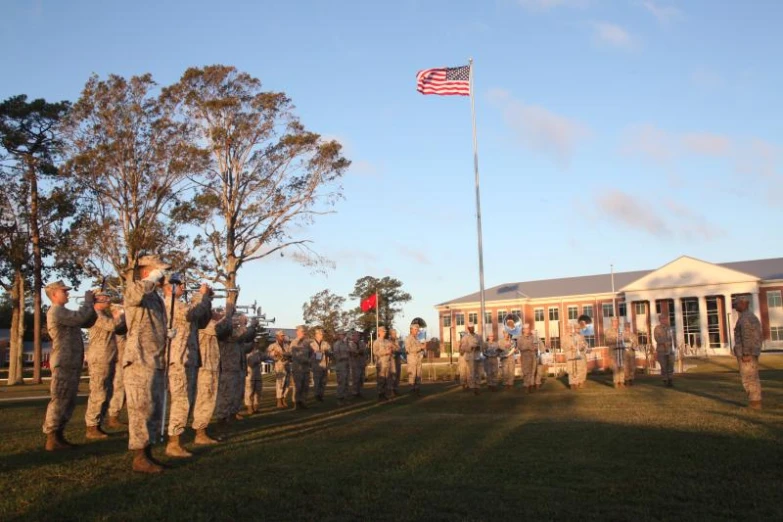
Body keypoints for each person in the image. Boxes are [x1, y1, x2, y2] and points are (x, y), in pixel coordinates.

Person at [122, 255, 173, 473]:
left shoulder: (155, 298)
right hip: (139, 358)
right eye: (159, 271)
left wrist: (165, 333)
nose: (164, 276)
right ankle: (139, 457)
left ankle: (148, 453)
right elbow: (133, 296)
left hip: (155, 358)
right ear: (146, 272)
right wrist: (151, 279)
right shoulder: (136, 289)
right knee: (141, 409)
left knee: (153, 408)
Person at [42, 281, 97, 451]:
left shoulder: (63, 311)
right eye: (63, 291)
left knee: (68, 399)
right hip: (64, 361)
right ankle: (52, 437)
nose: (67, 293)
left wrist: (92, 305)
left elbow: (87, 322)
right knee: (60, 398)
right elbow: (81, 317)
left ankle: (58, 435)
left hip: (71, 360)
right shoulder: (57, 311)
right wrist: (88, 302)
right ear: (54, 295)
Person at [162, 278, 212, 457]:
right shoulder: (172, 304)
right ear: (168, 287)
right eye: (178, 283)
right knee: (181, 401)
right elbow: (192, 314)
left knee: (187, 401)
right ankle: (173, 443)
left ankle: (178, 440)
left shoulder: (181, 305)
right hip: (179, 359)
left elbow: (202, 321)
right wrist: (202, 296)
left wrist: (208, 299)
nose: (183, 286)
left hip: (189, 358)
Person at [84, 290, 124, 440]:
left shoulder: (104, 315)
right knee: (98, 392)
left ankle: (98, 424)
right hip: (99, 359)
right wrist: (120, 313)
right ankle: (91, 426)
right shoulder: (96, 315)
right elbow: (113, 326)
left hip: (108, 357)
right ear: (96, 300)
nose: (108, 299)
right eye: (104, 297)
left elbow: (120, 329)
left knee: (106, 392)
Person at [192, 307, 231, 446]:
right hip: (205, 367)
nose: (216, 313)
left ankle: (202, 431)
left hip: (211, 366)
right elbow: (219, 330)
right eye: (213, 311)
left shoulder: (210, 323)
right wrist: (226, 316)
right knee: (205, 399)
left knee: (208, 400)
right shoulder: (205, 323)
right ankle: (200, 433)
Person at [733, 296, 763, 409]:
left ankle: (754, 403)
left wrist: (746, 353)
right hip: (751, 352)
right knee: (753, 377)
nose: (735, 308)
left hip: (747, 354)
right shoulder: (750, 316)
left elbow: (747, 337)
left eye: (736, 304)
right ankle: (755, 402)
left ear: (743, 303)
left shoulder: (746, 318)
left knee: (749, 378)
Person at [106, 305, 128, 430]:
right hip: (119, 360)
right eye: (121, 312)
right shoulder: (116, 325)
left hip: (125, 360)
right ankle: (113, 416)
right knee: (118, 388)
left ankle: (116, 415)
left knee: (123, 390)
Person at [290, 326, 313, 409]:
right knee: (297, 387)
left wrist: (310, 360)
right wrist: (305, 360)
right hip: (298, 368)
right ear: (297, 332)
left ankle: (303, 402)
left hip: (306, 368)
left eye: (304, 331)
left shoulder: (307, 343)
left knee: (305, 386)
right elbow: (294, 355)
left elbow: (312, 352)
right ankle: (296, 403)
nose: (304, 333)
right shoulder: (294, 342)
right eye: (302, 331)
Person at [268, 330, 291, 409]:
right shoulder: (272, 345)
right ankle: (279, 401)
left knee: (287, 384)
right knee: (280, 384)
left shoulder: (287, 345)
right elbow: (268, 355)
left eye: (283, 335)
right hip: (279, 367)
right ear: (277, 336)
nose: (283, 337)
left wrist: (286, 355)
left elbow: (290, 354)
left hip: (287, 366)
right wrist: (274, 353)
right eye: (281, 336)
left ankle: (283, 399)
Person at [459, 324, 483, 395]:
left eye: (473, 327)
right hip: (470, 357)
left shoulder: (478, 336)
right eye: (470, 328)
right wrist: (470, 348)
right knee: (471, 373)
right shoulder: (465, 337)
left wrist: (480, 347)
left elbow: (483, 345)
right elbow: (463, 347)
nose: (472, 329)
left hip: (478, 356)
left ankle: (478, 386)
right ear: (468, 328)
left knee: (478, 372)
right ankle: (472, 387)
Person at [373, 326, 395, 401]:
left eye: (385, 331)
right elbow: (375, 352)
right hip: (381, 363)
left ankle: (386, 394)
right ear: (379, 332)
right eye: (383, 331)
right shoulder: (376, 342)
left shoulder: (387, 341)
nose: (384, 333)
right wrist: (385, 352)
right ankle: (380, 395)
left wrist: (392, 349)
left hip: (388, 363)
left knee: (387, 379)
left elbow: (393, 348)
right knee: (381, 380)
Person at [653, 314, 675, 387]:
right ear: (660, 320)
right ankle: (665, 380)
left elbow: (673, 338)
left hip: (670, 350)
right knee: (664, 366)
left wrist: (673, 344)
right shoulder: (657, 328)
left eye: (665, 319)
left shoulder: (670, 328)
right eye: (662, 319)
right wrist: (664, 342)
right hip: (661, 350)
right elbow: (657, 338)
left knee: (671, 365)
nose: (664, 320)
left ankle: (670, 379)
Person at [310, 327, 330, 402]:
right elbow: (308, 355)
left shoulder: (325, 343)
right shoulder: (311, 344)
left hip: (324, 365)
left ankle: (321, 395)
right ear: (316, 335)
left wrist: (327, 352)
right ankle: (317, 395)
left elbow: (330, 352)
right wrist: (315, 353)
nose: (322, 335)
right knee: (316, 381)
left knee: (323, 381)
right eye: (320, 334)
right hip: (316, 366)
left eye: (322, 334)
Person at [405, 324, 425, 396]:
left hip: (418, 359)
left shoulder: (416, 339)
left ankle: (417, 390)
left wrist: (422, 348)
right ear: (411, 330)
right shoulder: (408, 338)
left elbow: (420, 348)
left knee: (418, 375)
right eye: (416, 330)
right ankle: (411, 390)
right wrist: (420, 348)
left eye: (417, 330)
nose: (417, 331)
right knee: (412, 375)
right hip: (412, 359)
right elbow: (408, 349)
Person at [605, 318, 625, 388]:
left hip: (621, 351)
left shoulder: (621, 330)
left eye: (616, 321)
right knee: (615, 367)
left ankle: (622, 382)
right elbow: (607, 341)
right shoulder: (608, 331)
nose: (615, 322)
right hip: (613, 351)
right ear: (611, 322)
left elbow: (625, 339)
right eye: (614, 321)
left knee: (622, 367)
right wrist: (616, 339)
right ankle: (616, 382)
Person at [565, 324, 587, 389]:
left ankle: (580, 382)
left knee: (581, 369)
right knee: (573, 369)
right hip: (572, 355)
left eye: (578, 328)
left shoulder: (581, 336)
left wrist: (582, 347)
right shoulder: (569, 336)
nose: (578, 329)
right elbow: (565, 345)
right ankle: (573, 384)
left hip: (580, 354)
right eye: (576, 328)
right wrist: (571, 347)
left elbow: (584, 344)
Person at [244, 342, 264, 415]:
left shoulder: (259, 352)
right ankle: (249, 408)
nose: (255, 345)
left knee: (258, 392)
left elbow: (265, 357)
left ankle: (256, 407)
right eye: (254, 343)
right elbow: (248, 363)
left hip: (258, 375)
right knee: (249, 392)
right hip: (249, 375)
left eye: (256, 343)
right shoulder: (246, 353)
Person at [331, 331, 350, 406]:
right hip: (340, 365)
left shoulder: (346, 344)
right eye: (342, 335)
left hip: (347, 364)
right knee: (341, 382)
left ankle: (345, 398)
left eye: (344, 335)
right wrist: (344, 357)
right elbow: (336, 355)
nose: (344, 336)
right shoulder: (337, 344)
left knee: (346, 382)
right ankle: (339, 398)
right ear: (339, 336)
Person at [518, 324, 538, 393]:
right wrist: (528, 347)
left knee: (532, 371)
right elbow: (520, 347)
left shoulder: (532, 337)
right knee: (526, 372)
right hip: (525, 356)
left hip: (532, 356)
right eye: (525, 329)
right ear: (523, 330)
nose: (527, 330)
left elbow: (536, 346)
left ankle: (531, 386)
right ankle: (526, 386)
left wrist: (533, 348)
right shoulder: (520, 338)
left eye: (528, 328)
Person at [348, 331, 366, 398]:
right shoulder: (350, 344)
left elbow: (364, 351)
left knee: (361, 379)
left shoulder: (362, 343)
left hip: (361, 363)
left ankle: (360, 392)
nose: (358, 337)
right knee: (356, 379)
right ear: (353, 336)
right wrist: (358, 352)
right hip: (354, 364)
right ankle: (355, 392)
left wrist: (358, 352)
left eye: (359, 335)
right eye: (357, 335)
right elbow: (353, 353)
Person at [389, 328, 402, 396]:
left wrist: (398, 351)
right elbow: (390, 350)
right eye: (393, 334)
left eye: (395, 333)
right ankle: (391, 390)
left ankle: (396, 389)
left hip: (398, 359)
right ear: (390, 334)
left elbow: (400, 349)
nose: (395, 335)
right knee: (392, 375)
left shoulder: (397, 341)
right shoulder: (388, 342)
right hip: (392, 360)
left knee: (398, 375)